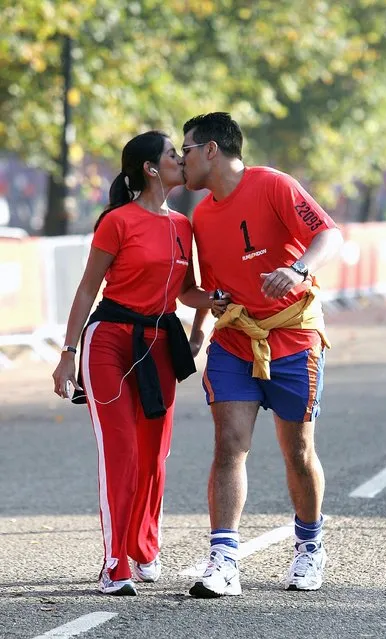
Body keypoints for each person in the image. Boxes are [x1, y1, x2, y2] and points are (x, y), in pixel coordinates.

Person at [52, 131, 228, 596]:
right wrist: (67, 355)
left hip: (158, 346)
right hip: (109, 343)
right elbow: (88, 289)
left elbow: (186, 291)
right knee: (122, 452)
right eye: (173, 154)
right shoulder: (117, 222)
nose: (180, 160)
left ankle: (142, 546)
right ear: (151, 169)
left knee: (155, 453)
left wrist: (215, 307)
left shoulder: (182, 226)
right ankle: (114, 563)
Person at [181, 112, 343, 598]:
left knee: (298, 452)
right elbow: (208, 289)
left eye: (186, 149)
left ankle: (310, 547)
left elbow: (329, 235)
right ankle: (224, 560)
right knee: (230, 443)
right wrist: (199, 330)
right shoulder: (201, 215)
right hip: (234, 340)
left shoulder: (273, 184)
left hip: (293, 340)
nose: (181, 159)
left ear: (211, 150)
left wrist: (297, 270)